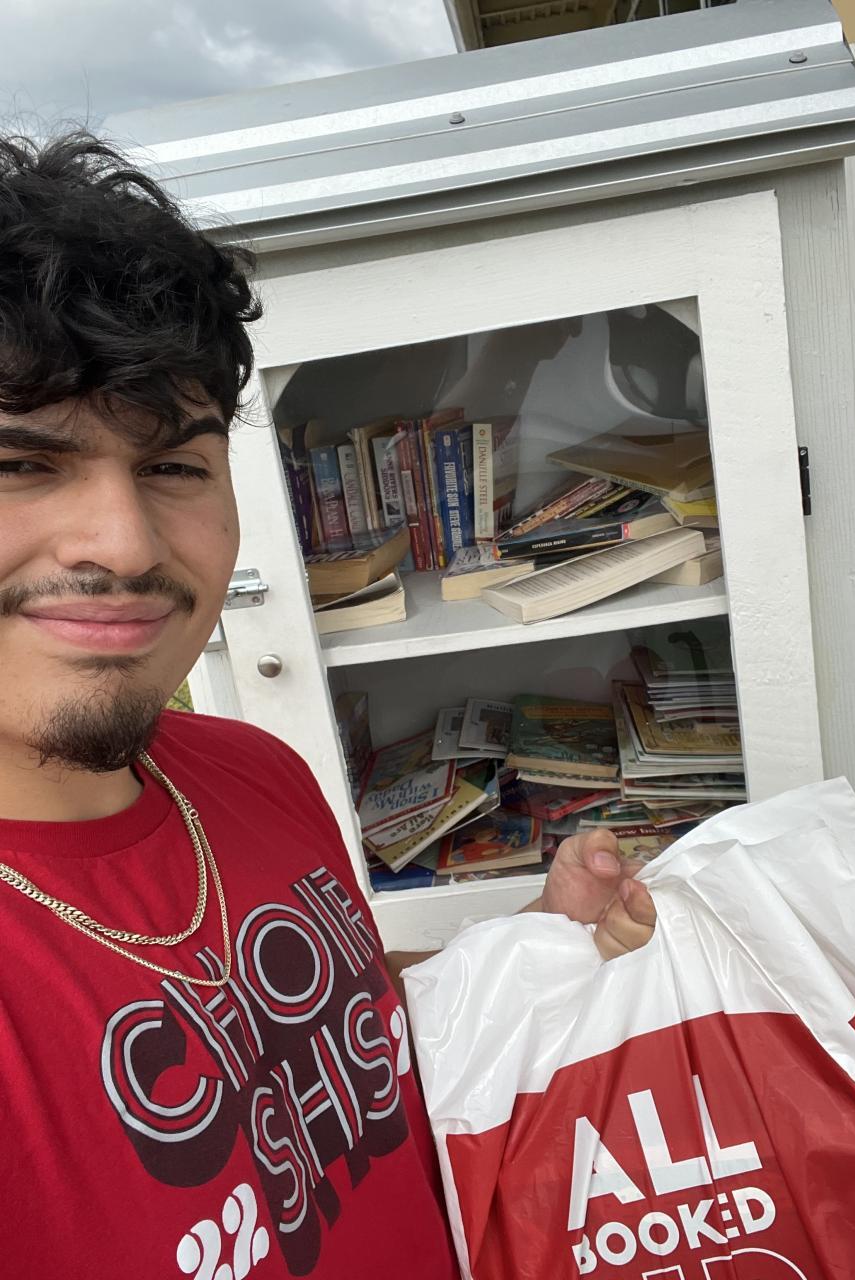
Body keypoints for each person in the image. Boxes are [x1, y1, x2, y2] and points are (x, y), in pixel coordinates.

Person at [0, 133, 656, 1280]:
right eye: (21, 463)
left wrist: (526, 944)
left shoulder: (253, 771)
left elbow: (339, 1023)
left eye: (173, 466)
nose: (125, 543)